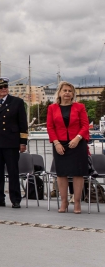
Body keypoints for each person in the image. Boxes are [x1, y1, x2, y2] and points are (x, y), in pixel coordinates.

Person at [0, 77, 28, 208]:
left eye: (5, 87)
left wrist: (23, 142)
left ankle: (15, 199)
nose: (4, 89)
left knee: (13, 171)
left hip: (11, 141)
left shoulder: (17, 102)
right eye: (0, 88)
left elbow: (23, 123)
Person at [46, 81, 90, 214]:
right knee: (61, 173)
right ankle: (64, 201)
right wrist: (56, 143)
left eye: (70, 91)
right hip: (60, 144)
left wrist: (77, 138)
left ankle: (77, 202)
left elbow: (85, 125)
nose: (67, 93)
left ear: (73, 94)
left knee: (78, 173)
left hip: (78, 143)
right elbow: (50, 127)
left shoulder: (80, 107)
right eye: (64, 90)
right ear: (59, 93)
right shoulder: (52, 108)